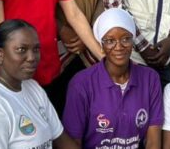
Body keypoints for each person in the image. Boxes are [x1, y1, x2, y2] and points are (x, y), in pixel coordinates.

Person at [0, 19, 78, 149]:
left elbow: (61, 139)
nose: (32, 57)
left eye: (36, 49)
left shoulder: (33, 88)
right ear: (0, 54)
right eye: (21, 49)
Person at [63, 8, 163, 149]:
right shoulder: (81, 84)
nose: (119, 47)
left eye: (125, 39)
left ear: (132, 42)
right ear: (101, 45)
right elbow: (73, 142)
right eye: (110, 41)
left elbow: (153, 142)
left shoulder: (150, 79)